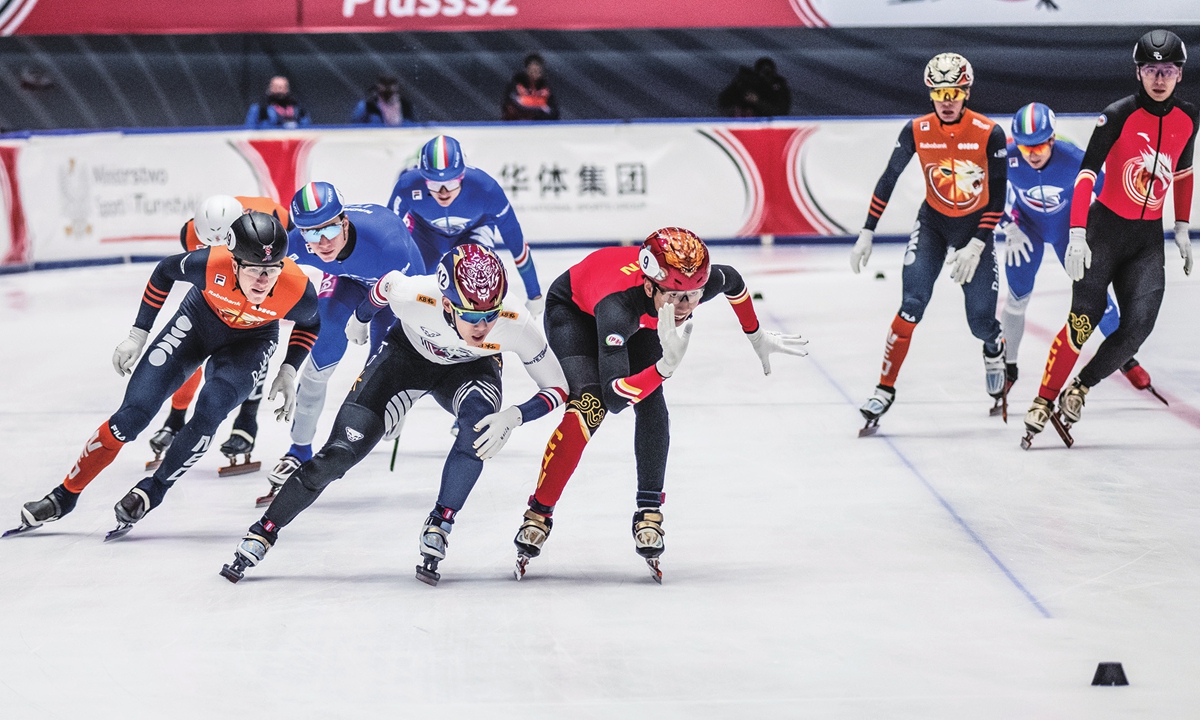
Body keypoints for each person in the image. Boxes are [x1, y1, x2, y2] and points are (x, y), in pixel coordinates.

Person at [219, 244, 568, 586]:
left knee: (477, 432)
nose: (483, 327)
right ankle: (263, 532)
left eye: (491, 316)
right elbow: (386, 285)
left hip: (470, 370)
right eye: (473, 317)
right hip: (405, 360)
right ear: (446, 304)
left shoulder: (515, 321)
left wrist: (516, 416)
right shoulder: (416, 296)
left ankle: (441, 522)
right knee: (338, 455)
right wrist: (360, 319)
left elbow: (557, 387)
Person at [510, 227, 808, 583]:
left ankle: (649, 510)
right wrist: (664, 367)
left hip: (645, 316)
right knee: (589, 407)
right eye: (676, 298)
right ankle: (538, 513)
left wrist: (755, 334)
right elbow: (615, 398)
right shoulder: (616, 308)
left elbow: (735, 282)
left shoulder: (683, 288)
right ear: (650, 286)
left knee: (652, 402)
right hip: (575, 313)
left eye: (694, 297)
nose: (685, 308)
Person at [5, 213, 319, 539]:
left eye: (271, 271)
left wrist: (288, 368)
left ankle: (153, 490)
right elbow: (164, 271)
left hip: (251, 342)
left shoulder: (297, 289)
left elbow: (311, 323)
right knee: (131, 416)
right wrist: (138, 334)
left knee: (212, 407)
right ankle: (64, 495)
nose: (262, 281)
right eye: (254, 270)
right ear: (234, 263)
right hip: (199, 322)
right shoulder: (210, 264)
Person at [1021, 30, 1196, 448]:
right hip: (1104, 231)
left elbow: (1184, 173)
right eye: (1151, 69)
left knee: (1139, 326)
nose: (1159, 78)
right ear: (1138, 72)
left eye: (1167, 70)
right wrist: (1078, 233)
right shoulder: (1116, 115)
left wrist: (1183, 226)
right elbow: (1086, 174)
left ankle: (1080, 387)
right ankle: (1043, 400)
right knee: (1082, 320)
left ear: (1179, 75)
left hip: (1147, 240)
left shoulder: (1189, 118)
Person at [849, 52, 1008, 435]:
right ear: (930, 94)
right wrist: (868, 229)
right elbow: (889, 178)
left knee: (980, 322)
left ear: (967, 92)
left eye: (954, 91)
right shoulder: (916, 130)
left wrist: (977, 245)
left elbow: (999, 198)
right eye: (939, 92)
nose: (947, 99)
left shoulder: (990, 132)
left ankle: (994, 346)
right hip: (934, 224)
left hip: (975, 230)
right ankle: (884, 389)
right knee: (911, 306)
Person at [260, 181, 427, 506]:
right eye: (310, 233)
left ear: (344, 222)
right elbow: (254, 266)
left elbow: (407, 307)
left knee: (380, 381)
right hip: (346, 281)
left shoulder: (387, 241)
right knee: (318, 364)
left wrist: (364, 318)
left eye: (328, 231)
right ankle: (299, 451)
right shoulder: (297, 241)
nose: (321, 243)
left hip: (397, 292)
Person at [998, 103, 1162, 405]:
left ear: (1051, 140)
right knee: (1017, 297)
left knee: (1095, 297)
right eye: (1025, 146)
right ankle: (1008, 368)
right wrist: (1009, 226)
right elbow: (988, 194)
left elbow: (1109, 195)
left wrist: (1105, 235)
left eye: (1038, 145)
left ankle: (1125, 359)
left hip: (1067, 232)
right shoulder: (1006, 156)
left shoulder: (1073, 158)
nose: (1032, 153)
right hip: (1026, 232)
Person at [145, 194, 293, 475]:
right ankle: (175, 419)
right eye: (208, 245)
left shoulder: (271, 224)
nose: (218, 253)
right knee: (193, 347)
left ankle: (246, 421)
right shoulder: (190, 234)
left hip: (258, 269)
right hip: (225, 284)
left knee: (256, 340)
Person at [388, 135, 545, 317]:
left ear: (462, 175)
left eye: (452, 182)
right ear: (423, 178)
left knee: (478, 286)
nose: (444, 192)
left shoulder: (486, 189)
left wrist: (535, 294)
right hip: (425, 234)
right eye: (435, 184)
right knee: (410, 292)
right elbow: (387, 236)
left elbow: (515, 241)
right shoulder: (407, 185)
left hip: (473, 231)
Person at [717, 57, 792, 118]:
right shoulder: (751, 83)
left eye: (768, 73)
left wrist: (758, 101)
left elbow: (780, 111)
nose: (765, 77)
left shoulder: (778, 88)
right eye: (763, 73)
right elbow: (723, 102)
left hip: (769, 128)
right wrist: (737, 84)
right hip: (745, 126)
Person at [501, 54, 559, 121]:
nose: (535, 73)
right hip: (516, 125)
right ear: (527, 70)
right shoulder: (516, 85)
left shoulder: (546, 89)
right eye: (532, 70)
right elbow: (510, 106)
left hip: (539, 125)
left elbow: (553, 111)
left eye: (538, 71)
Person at [245, 76, 311, 129]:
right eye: (276, 87)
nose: (280, 90)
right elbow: (249, 131)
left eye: (283, 87)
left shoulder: (299, 109)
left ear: (287, 90)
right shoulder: (259, 109)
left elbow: (306, 130)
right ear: (270, 89)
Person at [350, 75, 415, 126]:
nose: (388, 96)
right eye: (383, 93)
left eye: (390, 93)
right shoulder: (366, 106)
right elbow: (355, 127)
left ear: (397, 91)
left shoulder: (406, 106)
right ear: (377, 90)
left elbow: (413, 125)